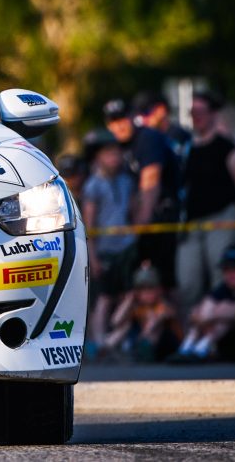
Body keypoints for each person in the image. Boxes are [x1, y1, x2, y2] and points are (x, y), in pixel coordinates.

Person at [176, 90, 235, 312]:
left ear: (213, 114)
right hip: (192, 222)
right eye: (193, 112)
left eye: (201, 111)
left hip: (221, 217)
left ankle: (218, 324)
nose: (196, 117)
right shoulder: (187, 148)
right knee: (187, 281)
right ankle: (194, 327)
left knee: (220, 274)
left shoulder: (226, 147)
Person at [104, 98, 182, 291]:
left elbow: (150, 184)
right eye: (114, 121)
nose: (119, 125)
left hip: (161, 217)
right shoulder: (116, 147)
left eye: (123, 118)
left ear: (132, 117)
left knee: (164, 282)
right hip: (136, 222)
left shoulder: (148, 138)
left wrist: (139, 228)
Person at [81, 130, 136, 355]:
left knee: (128, 294)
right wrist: (93, 257)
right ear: (98, 157)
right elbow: (89, 224)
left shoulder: (126, 181)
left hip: (126, 247)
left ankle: (117, 338)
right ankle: (99, 341)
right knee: (103, 297)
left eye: (117, 153)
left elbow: (132, 211)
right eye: (109, 153)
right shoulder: (93, 185)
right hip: (104, 250)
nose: (115, 158)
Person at [170, 248, 235, 363]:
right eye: (226, 269)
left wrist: (207, 317)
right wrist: (203, 315)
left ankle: (201, 349)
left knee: (225, 310)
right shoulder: (224, 288)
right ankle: (187, 347)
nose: (230, 274)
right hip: (234, 345)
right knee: (211, 308)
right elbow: (198, 311)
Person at [104, 264, 182, 362]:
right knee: (126, 324)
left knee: (153, 320)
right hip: (142, 342)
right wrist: (128, 301)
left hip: (166, 346)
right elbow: (115, 321)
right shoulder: (137, 306)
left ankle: (137, 351)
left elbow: (154, 324)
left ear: (159, 290)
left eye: (150, 288)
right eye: (142, 289)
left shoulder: (163, 305)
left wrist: (139, 340)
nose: (146, 293)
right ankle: (105, 350)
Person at [133, 91, 192, 160]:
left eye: (147, 112)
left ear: (162, 109)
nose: (144, 118)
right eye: (141, 114)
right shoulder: (141, 137)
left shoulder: (179, 136)